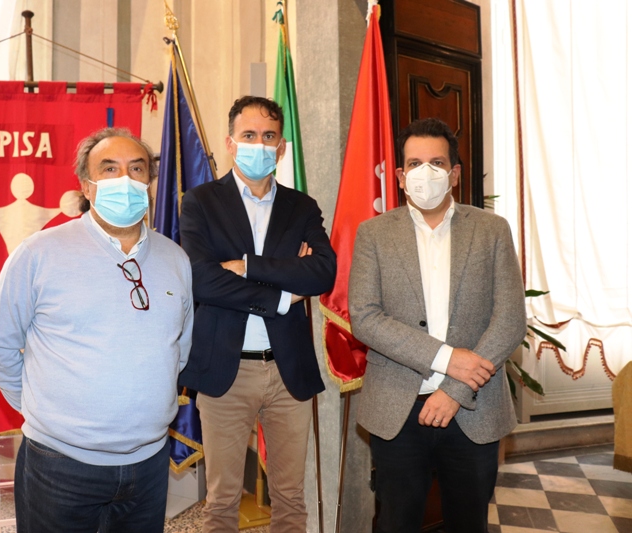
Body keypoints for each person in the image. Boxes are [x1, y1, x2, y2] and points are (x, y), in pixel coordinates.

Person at [0, 128, 194, 533]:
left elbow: (178, 350)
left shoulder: (176, 259)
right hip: (60, 465)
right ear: (85, 185)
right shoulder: (39, 253)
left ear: (150, 182)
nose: (125, 180)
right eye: (109, 169)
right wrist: (45, 413)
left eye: (137, 169)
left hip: (149, 464)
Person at [348, 117, 527, 533]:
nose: (424, 173)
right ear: (399, 176)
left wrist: (454, 389)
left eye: (436, 163)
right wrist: (448, 359)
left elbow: (510, 319)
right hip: (397, 410)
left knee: (469, 524)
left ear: (455, 173)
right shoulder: (373, 234)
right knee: (396, 523)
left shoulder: (492, 230)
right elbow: (366, 318)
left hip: (473, 409)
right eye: (414, 164)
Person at [179, 96, 337, 532]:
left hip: (289, 371)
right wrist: (283, 295)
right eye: (248, 135)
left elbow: (322, 272)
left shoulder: (301, 206)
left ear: (281, 148)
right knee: (221, 501)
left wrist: (247, 266)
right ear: (230, 143)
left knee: (291, 499)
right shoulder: (201, 202)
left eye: (269, 136)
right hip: (225, 371)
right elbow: (202, 280)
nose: (259, 144)